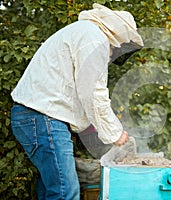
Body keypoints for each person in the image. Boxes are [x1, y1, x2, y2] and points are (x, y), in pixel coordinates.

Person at [10, 3, 143, 200]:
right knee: (65, 193)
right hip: (43, 119)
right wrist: (115, 133)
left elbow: (80, 97)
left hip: (37, 118)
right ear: (120, 36)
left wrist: (100, 134)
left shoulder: (84, 33)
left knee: (53, 190)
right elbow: (93, 93)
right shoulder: (94, 39)